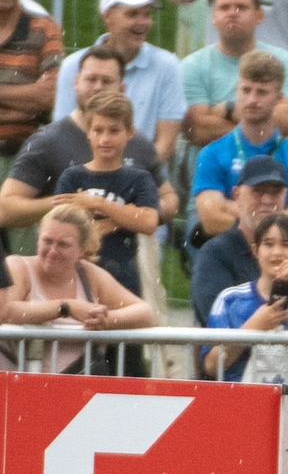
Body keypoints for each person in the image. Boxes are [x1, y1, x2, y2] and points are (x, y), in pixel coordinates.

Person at [0, 45, 176, 246]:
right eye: (91, 79)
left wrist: (123, 217)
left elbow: (169, 198)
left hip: (127, 262)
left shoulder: (136, 142)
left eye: (107, 81)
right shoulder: (47, 142)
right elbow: (6, 208)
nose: (98, 87)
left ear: (122, 88)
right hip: (62, 259)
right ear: (76, 83)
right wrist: (63, 203)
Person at [1, 205, 154, 374]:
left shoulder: (90, 275)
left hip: (78, 389)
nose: (52, 251)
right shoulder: (17, 266)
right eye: (47, 241)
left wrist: (105, 319)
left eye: (63, 245)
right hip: (15, 387)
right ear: (37, 239)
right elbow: (5, 310)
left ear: (83, 248)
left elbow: (146, 313)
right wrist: (65, 307)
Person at [190, 51, 288, 243]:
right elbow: (211, 220)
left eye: (262, 92)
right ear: (237, 91)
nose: (252, 100)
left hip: (280, 258)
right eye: (246, 90)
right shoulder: (212, 154)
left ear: (278, 98)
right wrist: (284, 215)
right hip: (230, 254)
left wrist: (233, 208)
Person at [190, 156, 288, 326]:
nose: (267, 200)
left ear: (285, 196)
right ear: (237, 195)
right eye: (258, 191)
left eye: (275, 192)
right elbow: (213, 320)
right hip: (239, 350)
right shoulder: (215, 252)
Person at [54, 0, 184, 164]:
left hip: (142, 178)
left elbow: (166, 144)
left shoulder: (168, 66)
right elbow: (64, 135)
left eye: (147, 14)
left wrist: (129, 180)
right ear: (108, 17)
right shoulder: (73, 65)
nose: (143, 22)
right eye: (132, 14)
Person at [202, 212, 288, 383]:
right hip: (241, 400)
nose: (277, 252)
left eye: (286, 244)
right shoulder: (230, 299)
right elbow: (211, 366)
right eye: (268, 244)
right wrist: (252, 328)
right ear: (255, 250)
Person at [180, 0, 288, 148]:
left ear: (259, 15)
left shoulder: (283, 61)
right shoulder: (192, 66)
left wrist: (228, 109)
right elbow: (199, 131)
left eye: (241, 7)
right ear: (213, 16)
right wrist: (261, 121)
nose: (232, 13)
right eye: (224, 7)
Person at [53, 92, 158, 297]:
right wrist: (120, 219)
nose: (105, 139)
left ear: (130, 132)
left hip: (123, 279)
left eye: (114, 131)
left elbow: (148, 222)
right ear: (88, 132)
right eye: (98, 130)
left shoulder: (139, 178)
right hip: (74, 277)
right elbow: (61, 228)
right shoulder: (72, 177)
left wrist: (96, 204)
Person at [0, 0, 61, 185]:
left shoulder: (44, 29)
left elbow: (50, 96)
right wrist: (25, 106)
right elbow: (38, 101)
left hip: (22, 154)